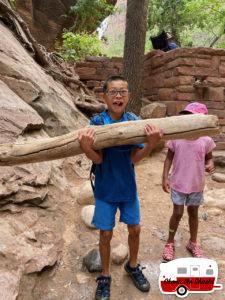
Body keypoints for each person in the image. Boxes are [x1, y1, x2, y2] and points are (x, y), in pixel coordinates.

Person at [78, 75, 163, 300]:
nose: (118, 96)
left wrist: (152, 145)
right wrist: (87, 148)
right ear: (104, 96)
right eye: (113, 92)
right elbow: (97, 160)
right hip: (105, 190)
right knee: (106, 233)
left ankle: (132, 266)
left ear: (129, 96)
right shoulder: (97, 123)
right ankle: (105, 276)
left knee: (135, 229)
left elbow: (134, 159)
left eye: (123, 92)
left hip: (127, 189)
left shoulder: (134, 121)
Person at [162, 102, 216, 262]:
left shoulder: (206, 140)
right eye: (186, 116)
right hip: (178, 183)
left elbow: (210, 157)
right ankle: (169, 243)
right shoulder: (177, 138)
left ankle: (193, 242)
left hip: (196, 185)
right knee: (177, 213)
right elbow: (168, 159)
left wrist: (210, 164)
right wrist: (165, 177)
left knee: (193, 213)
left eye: (192, 117)